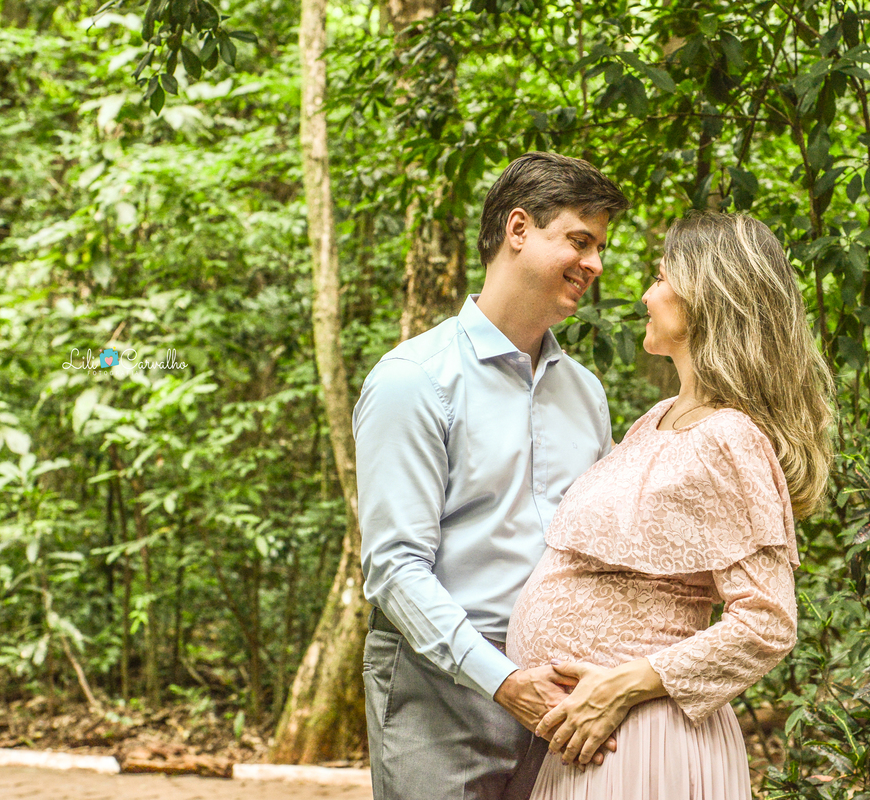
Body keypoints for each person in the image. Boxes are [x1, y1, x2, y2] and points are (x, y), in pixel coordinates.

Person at [506, 211, 835, 799]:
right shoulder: (657, 420)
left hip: (639, 730)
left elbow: (766, 622)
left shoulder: (730, 437)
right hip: (593, 732)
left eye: (660, 279)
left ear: (706, 299)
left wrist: (624, 686)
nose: (646, 295)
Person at [353, 152, 630, 800]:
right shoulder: (414, 380)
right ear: (518, 230)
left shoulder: (585, 392)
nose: (595, 264)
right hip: (439, 691)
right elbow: (393, 567)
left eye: (600, 248)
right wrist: (505, 681)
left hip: (560, 695)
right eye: (580, 241)